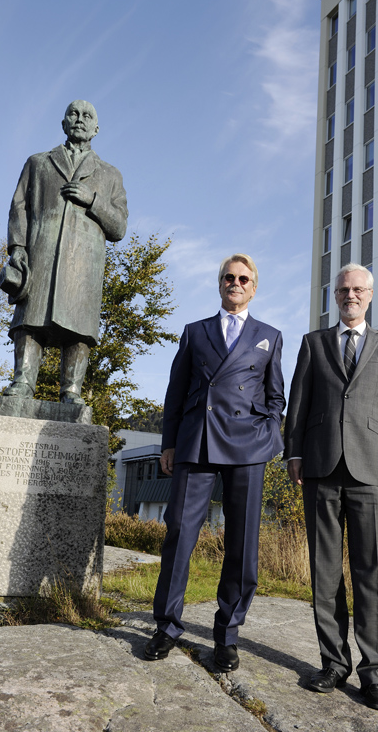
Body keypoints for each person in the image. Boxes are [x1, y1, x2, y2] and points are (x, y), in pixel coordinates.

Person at [145, 253, 285, 671]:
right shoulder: (194, 332)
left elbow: (276, 396)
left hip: (248, 447)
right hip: (197, 443)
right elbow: (174, 393)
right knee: (179, 536)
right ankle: (166, 627)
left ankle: (227, 636)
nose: (236, 283)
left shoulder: (270, 335)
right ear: (220, 284)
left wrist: (270, 435)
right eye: (229, 277)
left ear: (253, 287)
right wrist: (169, 444)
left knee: (242, 545)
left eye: (244, 278)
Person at [285, 263, 378, 712]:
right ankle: (333, 663)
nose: (350, 295)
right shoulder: (313, 343)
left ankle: (375, 673)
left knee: (371, 574)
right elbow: (298, 403)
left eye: (358, 289)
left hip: (372, 470)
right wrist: (294, 454)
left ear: (371, 295)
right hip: (319, 468)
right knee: (325, 573)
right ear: (334, 296)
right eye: (343, 290)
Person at [0, 100, 128, 404]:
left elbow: (119, 227)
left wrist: (93, 199)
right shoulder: (38, 163)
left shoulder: (110, 175)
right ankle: (22, 381)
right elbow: (19, 208)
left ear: (96, 128)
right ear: (63, 123)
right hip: (40, 253)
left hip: (85, 262)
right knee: (29, 320)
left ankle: (71, 390)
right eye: (73, 113)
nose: (80, 119)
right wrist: (17, 247)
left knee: (79, 328)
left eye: (87, 116)